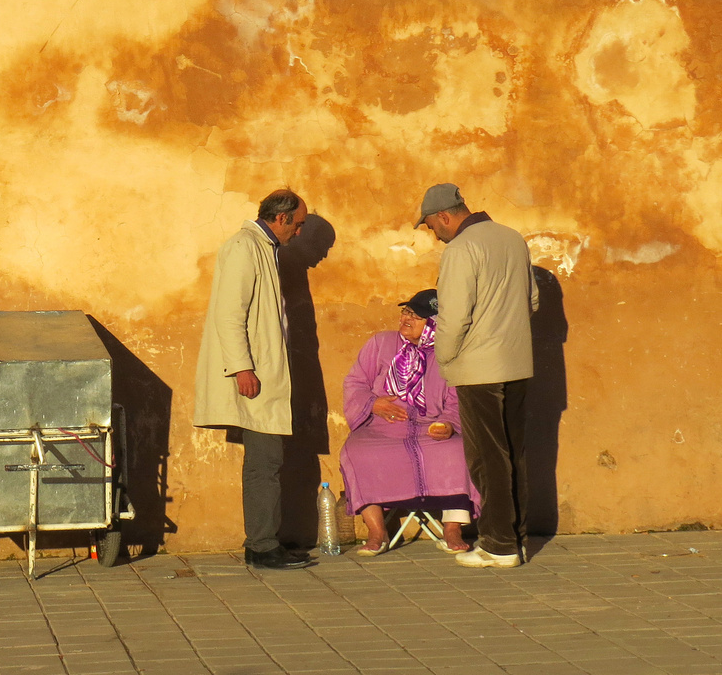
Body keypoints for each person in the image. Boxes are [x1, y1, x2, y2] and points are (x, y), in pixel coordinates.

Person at [416, 183, 538, 568]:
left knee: (488, 456)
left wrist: (445, 360)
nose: (435, 234)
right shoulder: (512, 238)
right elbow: (532, 299)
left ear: (444, 217)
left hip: (478, 367)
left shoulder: (461, 249)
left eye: (433, 227)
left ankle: (498, 545)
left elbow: (453, 317)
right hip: (516, 362)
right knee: (513, 452)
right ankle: (514, 539)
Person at [193, 189, 312, 570]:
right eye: (299, 225)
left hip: (261, 372)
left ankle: (264, 541)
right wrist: (242, 368)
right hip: (253, 375)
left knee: (268, 460)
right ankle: (262, 545)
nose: (299, 233)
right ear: (281, 219)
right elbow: (230, 313)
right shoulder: (244, 247)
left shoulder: (263, 249)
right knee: (265, 461)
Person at [339, 289, 477, 555]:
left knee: (459, 450)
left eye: (417, 316)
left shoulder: (449, 355)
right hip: (382, 430)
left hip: (431, 430)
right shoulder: (381, 344)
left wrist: (448, 425)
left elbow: (456, 399)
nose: (406, 319)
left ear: (436, 323)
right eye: (406, 311)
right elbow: (355, 382)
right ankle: (377, 530)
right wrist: (373, 403)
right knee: (356, 451)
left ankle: (452, 528)